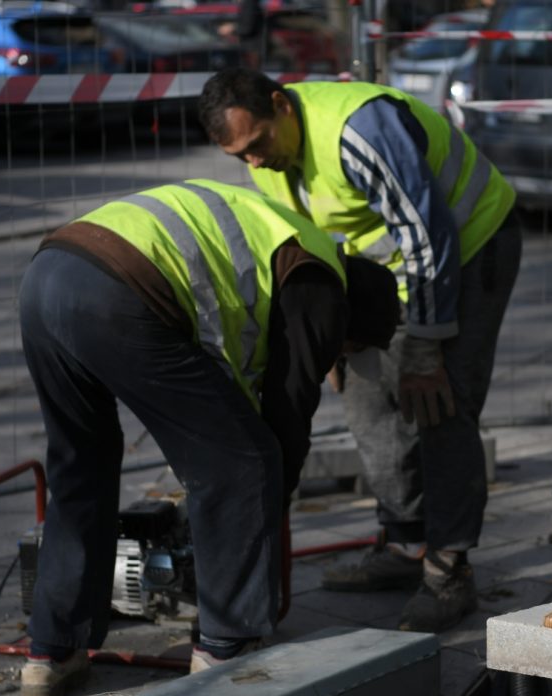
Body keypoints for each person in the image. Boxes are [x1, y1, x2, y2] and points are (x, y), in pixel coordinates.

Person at [17, 178, 399, 696]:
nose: (338, 359)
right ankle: (226, 649)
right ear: (352, 323)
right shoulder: (322, 284)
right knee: (246, 465)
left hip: (47, 276)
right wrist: (261, 510)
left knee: (81, 464)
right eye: (347, 350)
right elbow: (286, 422)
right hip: (120, 290)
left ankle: (51, 653)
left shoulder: (292, 240)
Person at [197, 69, 522, 633]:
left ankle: (449, 570)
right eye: (239, 157)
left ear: (281, 106)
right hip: (391, 275)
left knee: (441, 405)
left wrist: (424, 348)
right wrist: (335, 336)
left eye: (258, 145)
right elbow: (317, 246)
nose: (254, 164)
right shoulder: (272, 161)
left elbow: (428, 234)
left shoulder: (359, 130)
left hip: (469, 249)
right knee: (369, 404)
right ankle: (404, 546)